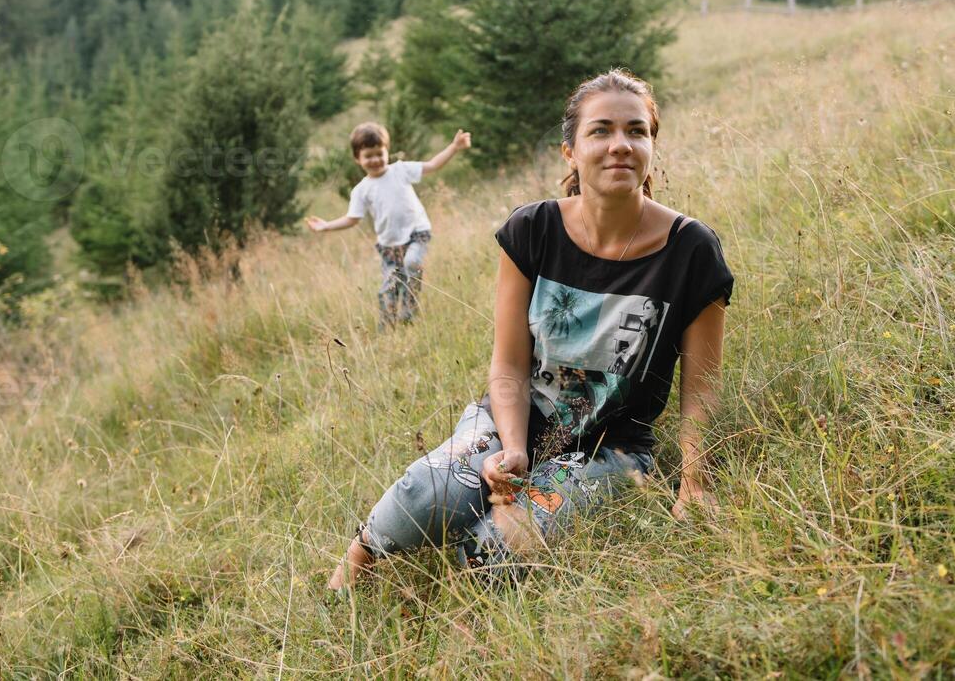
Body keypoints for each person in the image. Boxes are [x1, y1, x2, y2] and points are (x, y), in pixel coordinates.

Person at [328, 69, 733, 590]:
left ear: (652, 145)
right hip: (511, 419)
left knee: (500, 550)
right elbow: (510, 360)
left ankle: (473, 564)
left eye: (637, 131)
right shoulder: (532, 230)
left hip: (609, 450)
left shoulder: (691, 250)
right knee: (428, 493)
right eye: (601, 130)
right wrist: (514, 450)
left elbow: (701, 388)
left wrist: (694, 483)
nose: (620, 146)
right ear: (569, 151)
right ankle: (355, 563)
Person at [307, 122, 471, 329]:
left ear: (386, 151)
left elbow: (432, 165)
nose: (375, 160)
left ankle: (409, 315)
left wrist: (454, 147)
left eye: (379, 153)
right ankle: (387, 329)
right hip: (389, 246)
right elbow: (352, 219)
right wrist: (327, 226)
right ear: (357, 159)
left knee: (412, 263)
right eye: (368, 156)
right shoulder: (361, 190)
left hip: (417, 233)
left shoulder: (400, 170)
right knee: (389, 288)